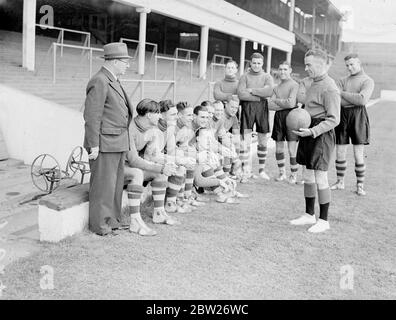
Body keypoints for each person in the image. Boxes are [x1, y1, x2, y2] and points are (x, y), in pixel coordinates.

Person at [83, 42, 133, 236]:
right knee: (103, 187)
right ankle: (100, 225)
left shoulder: (112, 79)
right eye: (125, 61)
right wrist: (93, 145)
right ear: (114, 62)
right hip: (104, 144)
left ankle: (111, 221)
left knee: (114, 185)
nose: (127, 65)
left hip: (117, 141)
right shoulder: (100, 81)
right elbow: (92, 116)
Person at [290, 49, 340, 233]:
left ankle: (324, 220)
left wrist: (312, 131)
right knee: (308, 175)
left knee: (320, 176)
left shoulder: (330, 87)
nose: (306, 68)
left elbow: (334, 119)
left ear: (320, 64)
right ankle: (309, 214)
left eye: (309, 64)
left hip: (321, 134)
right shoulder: (312, 83)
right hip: (309, 130)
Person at [331, 53, 375, 196]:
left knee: (358, 153)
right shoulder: (342, 80)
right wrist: (349, 97)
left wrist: (342, 93)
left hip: (358, 116)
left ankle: (360, 185)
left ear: (359, 63)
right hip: (342, 115)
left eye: (352, 64)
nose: (349, 67)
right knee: (340, 151)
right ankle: (340, 182)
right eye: (347, 65)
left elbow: (362, 100)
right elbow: (337, 100)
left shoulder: (368, 81)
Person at [237, 52, 274, 181]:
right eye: (254, 63)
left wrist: (251, 90)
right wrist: (260, 95)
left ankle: (262, 170)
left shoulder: (267, 77)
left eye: (259, 63)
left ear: (262, 64)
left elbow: (269, 92)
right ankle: (246, 169)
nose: (256, 65)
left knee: (262, 139)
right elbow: (241, 94)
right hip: (247, 109)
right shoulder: (244, 77)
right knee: (245, 140)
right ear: (250, 63)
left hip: (262, 109)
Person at [267, 61, 300, 183]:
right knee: (279, 148)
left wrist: (279, 102)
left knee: (292, 149)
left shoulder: (295, 85)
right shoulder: (276, 87)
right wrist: (284, 103)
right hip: (279, 118)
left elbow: (291, 103)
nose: (282, 72)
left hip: (292, 117)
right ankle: (282, 173)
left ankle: (294, 175)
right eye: (280, 69)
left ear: (290, 70)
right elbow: (270, 105)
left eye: (285, 69)